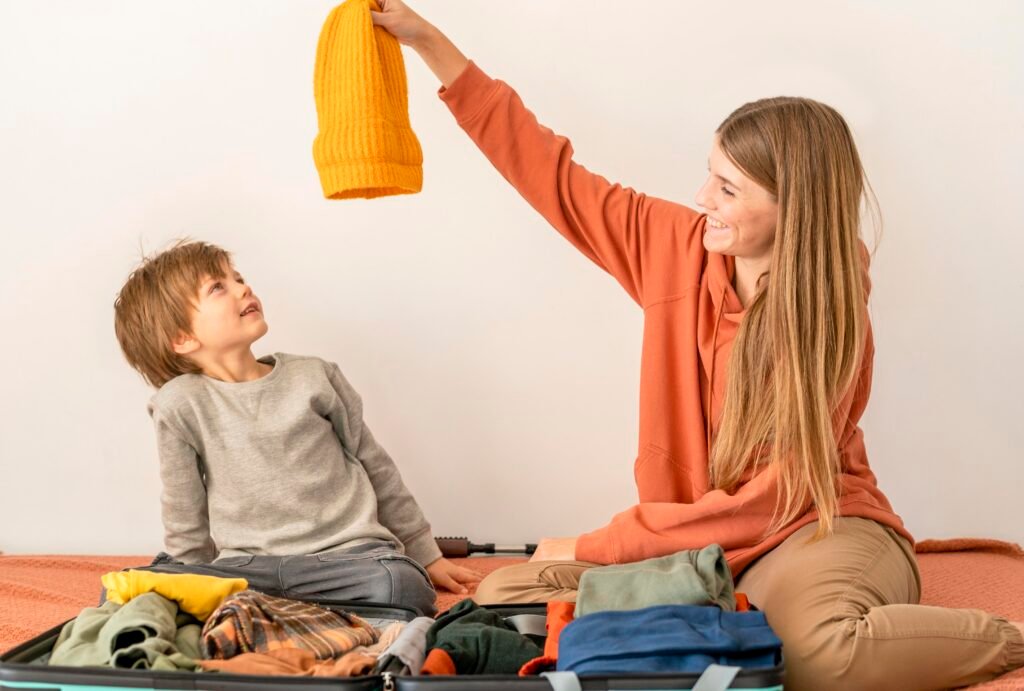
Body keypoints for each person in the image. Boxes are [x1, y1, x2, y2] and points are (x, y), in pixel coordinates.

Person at [369, 1, 1024, 687]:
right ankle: (721, 610)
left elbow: (769, 500)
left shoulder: (829, 318)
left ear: (792, 208)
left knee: (815, 652)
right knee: (504, 593)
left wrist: (599, 544)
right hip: (699, 549)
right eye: (709, 172)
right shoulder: (672, 244)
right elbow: (552, 175)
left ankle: (1006, 636)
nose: (701, 195)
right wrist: (433, 48)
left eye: (728, 187)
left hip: (809, 529)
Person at [112, 239, 481, 616]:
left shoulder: (314, 376)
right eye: (218, 287)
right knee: (131, 596)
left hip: (346, 557)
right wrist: (187, 583)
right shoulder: (178, 404)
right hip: (250, 568)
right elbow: (183, 508)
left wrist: (425, 554)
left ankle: (280, 610)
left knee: (401, 584)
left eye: (238, 277)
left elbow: (376, 467)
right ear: (181, 338)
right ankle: (285, 607)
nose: (244, 288)